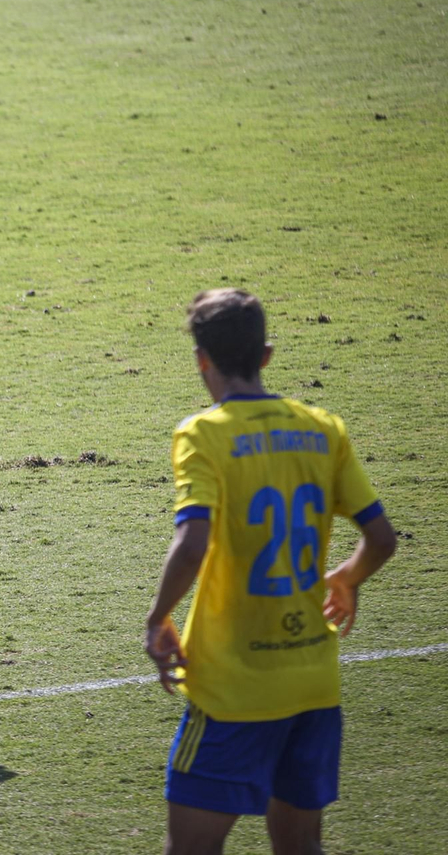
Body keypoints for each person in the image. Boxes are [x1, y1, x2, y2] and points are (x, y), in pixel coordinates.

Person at [144, 288, 397, 855]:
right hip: (313, 685)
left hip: (235, 691)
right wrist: (348, 579)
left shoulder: (202, 435)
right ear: (267, 355)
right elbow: (381, 539)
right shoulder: (323, 428)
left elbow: (193, 544)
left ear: (201, 359)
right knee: (301, 848)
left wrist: (158, 617)